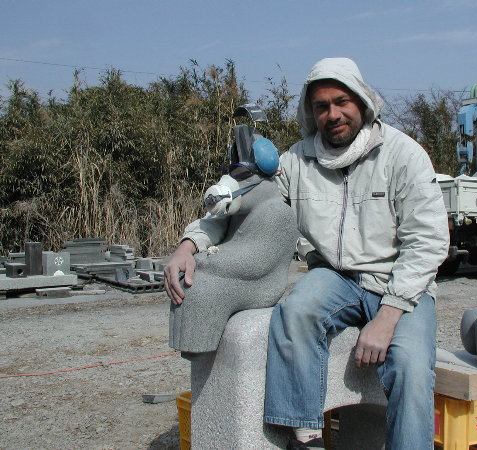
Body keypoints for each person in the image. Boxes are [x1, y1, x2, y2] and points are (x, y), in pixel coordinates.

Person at [164, 57, 449, 450]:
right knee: (296, 311)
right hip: (335, 276)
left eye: (342, 102)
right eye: (321, 106)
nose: (333, 114)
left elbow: (428, 241)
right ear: (310, 112)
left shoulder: (402, 154)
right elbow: (240, 206)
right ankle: (305, 436)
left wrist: (388, 316)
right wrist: (189, 244)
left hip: (398, 283)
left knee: (412, 366)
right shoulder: (294, 162)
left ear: (362, 102)